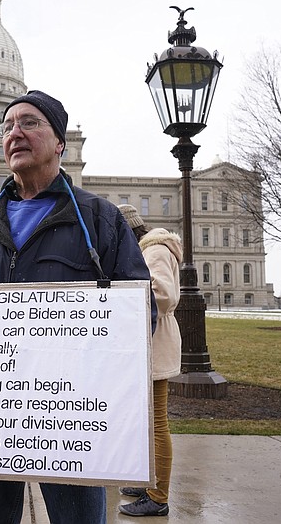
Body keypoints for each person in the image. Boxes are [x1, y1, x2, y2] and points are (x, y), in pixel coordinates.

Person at [0, 90, 156, 524]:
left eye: (29, 123)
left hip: (69, 416)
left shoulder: (100, 220)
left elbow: (140, 314)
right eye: (7, 126)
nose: (15, 133)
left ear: (60, 143)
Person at [117, 203, 182, 517]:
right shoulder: (149, 250)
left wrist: (120, 299)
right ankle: (148, 482)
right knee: (145, 419)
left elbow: (164, 295)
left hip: (155, 340)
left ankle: (158, 497)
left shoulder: (154, 251)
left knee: (156, 421)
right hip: (147, 339)